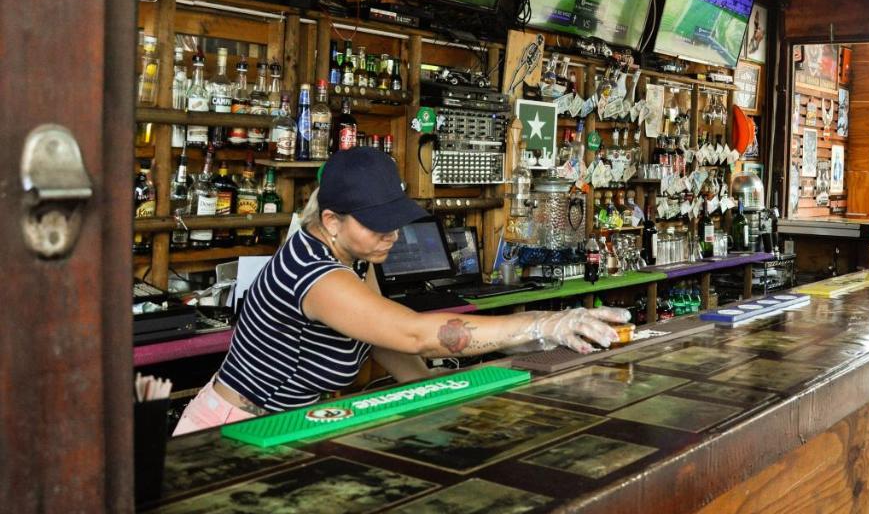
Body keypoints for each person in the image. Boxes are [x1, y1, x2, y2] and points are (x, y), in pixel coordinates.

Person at [174, 148, 625, 434]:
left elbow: (377, 331)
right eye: (377, 222)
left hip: (280, 424)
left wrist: (426, 387)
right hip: (230, 428)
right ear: (331, 221)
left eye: (395, 217)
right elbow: (412, 333)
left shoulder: (349, 258)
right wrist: (544, 324)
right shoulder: (316, 274)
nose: (392, 233)